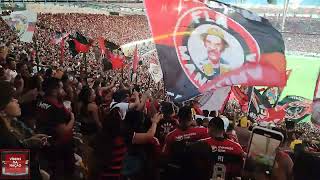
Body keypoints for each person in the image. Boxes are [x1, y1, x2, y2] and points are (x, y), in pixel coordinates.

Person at [0, 81, 48, 180]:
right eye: (11, 99)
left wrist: (28, 143)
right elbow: (16, 174)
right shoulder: (6, 139)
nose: (17, 101)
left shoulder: (12, 124)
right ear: (2, 111)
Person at [36, 77, 75, 180]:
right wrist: (72, 119)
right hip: (60, 147)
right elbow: (64, 131)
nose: (63, 90)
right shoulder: (57, 108)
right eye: (61, 88)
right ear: (54, 91)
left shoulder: (41, 101)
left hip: (48, 144)